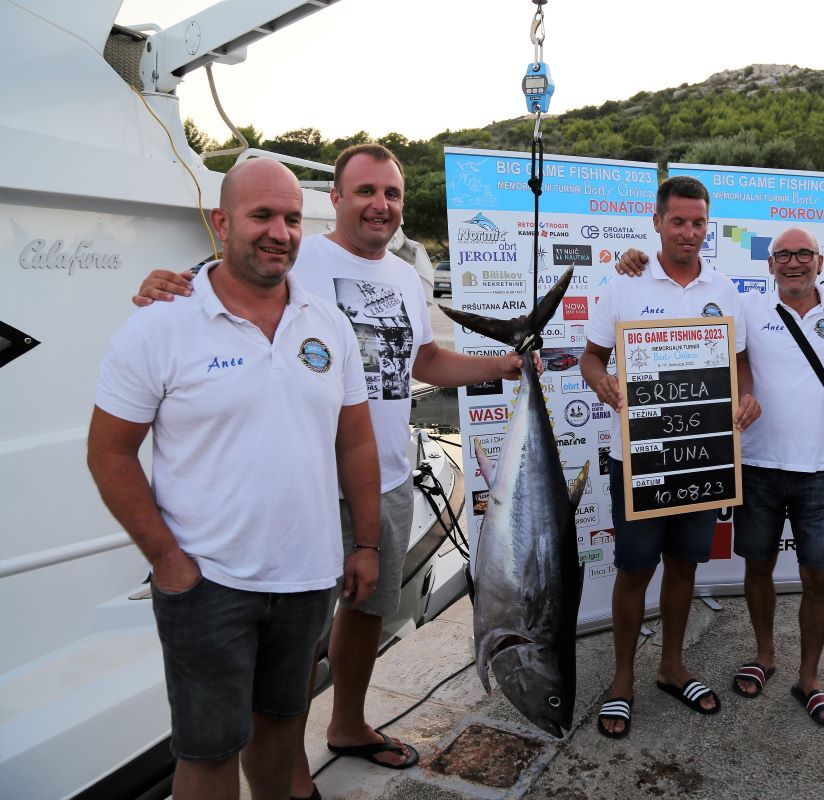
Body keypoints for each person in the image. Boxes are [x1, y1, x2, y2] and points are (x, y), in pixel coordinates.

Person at [134, 144, 526, 799]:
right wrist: (161, 283)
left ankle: (347, 723)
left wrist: (501, 366)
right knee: (297, 633)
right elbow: (207, 285)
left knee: (368, 609)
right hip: (307, 484)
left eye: (392, 194)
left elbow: (424, 362)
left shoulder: (405, 276)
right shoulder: (298, 254)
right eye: (365, 191)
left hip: (386, 474)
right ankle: (288, 772)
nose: (380, 205)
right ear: (335, 199)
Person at [88, 158, 381, 800]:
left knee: (280, 733)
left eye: (293, 218)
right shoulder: (159, 324)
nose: (280, 232)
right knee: (208, 753)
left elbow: (355, 440)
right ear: (222, 223)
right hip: (207, 580)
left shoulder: (327, 323)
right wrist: (167, 562)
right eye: (262, 216)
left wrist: (364, 542)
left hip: (306, 578)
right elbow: (109, 454)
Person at [615, 226, 824, 725]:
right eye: (783, 255)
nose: (793, 263)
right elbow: (690, 315)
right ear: (770, 265)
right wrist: (637, 259)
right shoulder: (745, 305)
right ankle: (764, 655)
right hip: (754, 465)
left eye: (804, 254)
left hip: (820, 469)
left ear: (820, 261)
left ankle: (810, 678)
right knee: (758, 567)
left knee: (820, 576)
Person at [582, 175, 761, 738]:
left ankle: (672, 667)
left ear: (709, 226)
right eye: (678, 221)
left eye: (698, 222)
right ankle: (622, 680)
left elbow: (740, 360)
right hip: (639, 457)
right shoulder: (624, 282)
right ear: (657, 221)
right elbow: (590, 357)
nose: (689, 232)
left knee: (684, 566)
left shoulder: (724, 289)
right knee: (635, 569)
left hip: (703, 455)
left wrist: (746, 394)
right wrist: (603, 383)